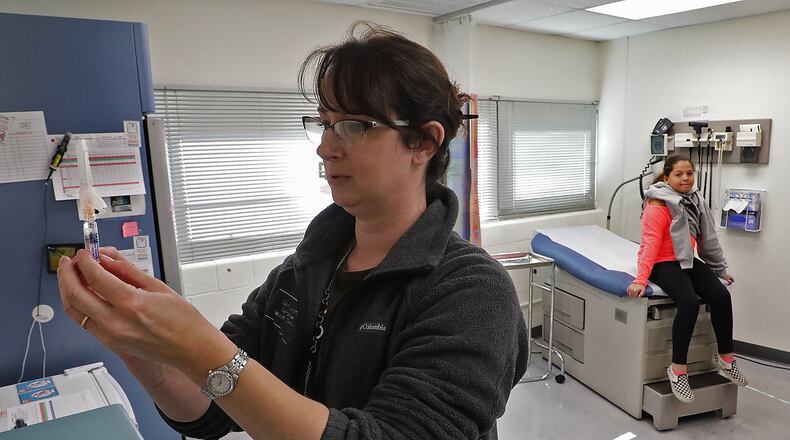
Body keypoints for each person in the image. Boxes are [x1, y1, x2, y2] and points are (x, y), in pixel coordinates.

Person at [57, 22, 528, 440]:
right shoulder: (305, 268)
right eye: (323, 124)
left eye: (352, 126)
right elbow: (211, 411)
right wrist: (148, 353)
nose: (325, 147)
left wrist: (199, 346)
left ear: (423, 142)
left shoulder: (473, 292)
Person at [626, 155, 748, 403]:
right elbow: (649, 244)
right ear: (667, 177)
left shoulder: (695, 200)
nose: (685, 178)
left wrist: (720, 270)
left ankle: (725, 358)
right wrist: (641, 279)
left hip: (687, 260)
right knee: (689, 302)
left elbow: (709, 238)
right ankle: (678, 369)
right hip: (662, 263)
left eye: (689, 173)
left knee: (721, 296)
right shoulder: (658, 204)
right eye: (679, 174)